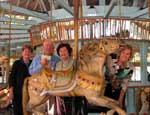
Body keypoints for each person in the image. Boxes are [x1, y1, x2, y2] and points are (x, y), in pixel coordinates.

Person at [28, 39, 60, 114]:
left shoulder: (57, 59)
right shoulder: (37, 58)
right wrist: (41, 65)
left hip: (53, 90)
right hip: (39, 91)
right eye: (46, 46)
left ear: (53, 48)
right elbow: (31, 72)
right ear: (43, 48)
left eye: (50, 46)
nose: (48, 48)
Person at [104, 44, 134, 114]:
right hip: (106, 90)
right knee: (106, 111)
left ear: (130, 56)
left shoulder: (130, 67)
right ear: (120, 52)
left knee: (117, 112)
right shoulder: (110, 59)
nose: (125, 55)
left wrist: (120, 100)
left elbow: (124, 85)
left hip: (118, 92)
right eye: (123, 52)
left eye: (128, 54)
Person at [56, 43, 83, 115]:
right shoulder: (58, 64)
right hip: (61, 92)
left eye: (64, 50)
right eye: (60, 51)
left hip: (73, 92)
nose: (62, 53)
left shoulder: (75, 62)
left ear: (69, 51)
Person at [8, 44, 33, 115]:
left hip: (30, 93)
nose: (27, 53)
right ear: (22, 53)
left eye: (29, 51)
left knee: (28, 112)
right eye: (25, 51)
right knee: (18, 111)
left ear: (31, 54)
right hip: (17, 93)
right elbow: (11, 77)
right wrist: (11, 91)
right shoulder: (17, 63)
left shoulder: (33, 63)